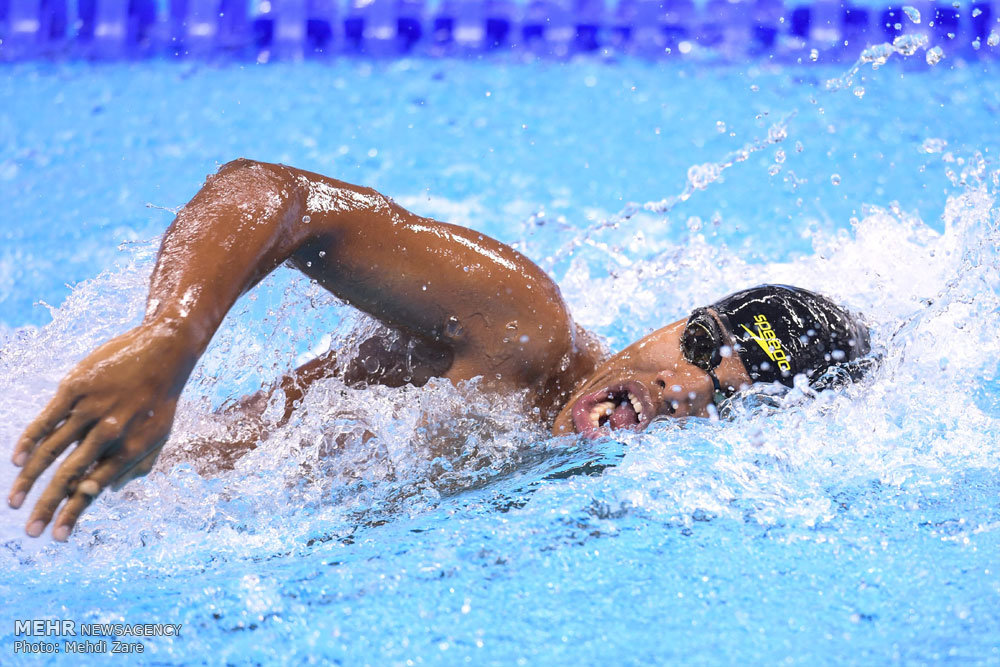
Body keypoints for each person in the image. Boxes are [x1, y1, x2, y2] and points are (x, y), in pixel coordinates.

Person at [6, 159, 872, 541]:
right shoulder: (523, 328)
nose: (681, 385)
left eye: (726, 395)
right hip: (78, 476)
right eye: (701, 343)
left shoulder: (587, 485)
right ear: (674, 315)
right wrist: (171, 339)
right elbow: (273, 193)